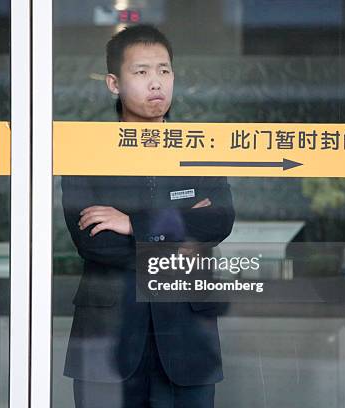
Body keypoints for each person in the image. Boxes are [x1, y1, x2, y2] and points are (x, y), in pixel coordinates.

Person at [61, 25, 235, 407]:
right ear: (113, 82)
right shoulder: (85, 152)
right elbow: (97, 244)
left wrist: (134, 224)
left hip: (188, 341)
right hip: (108, 339)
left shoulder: (199, 148)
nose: (156, 82)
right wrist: (181, 232)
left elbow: (219, 221)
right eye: (141, 72)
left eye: (164, 71)